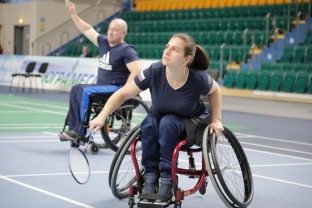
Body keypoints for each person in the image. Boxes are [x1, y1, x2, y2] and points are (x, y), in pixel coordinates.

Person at [88, 33, 224, 205]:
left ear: (186, 59)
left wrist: (216, 119)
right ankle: (150, 178)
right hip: (161, 119)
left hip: (190, 122)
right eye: (167, 46)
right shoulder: (154, 71)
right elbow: (122, 93)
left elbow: (215, 91)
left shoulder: (198, 78)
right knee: (149, 123)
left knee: (167, 123)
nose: (167, 51)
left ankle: (167, 180)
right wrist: (102, 116)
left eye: (174, 49)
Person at [58, 2, 142, 141]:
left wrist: (125, 91)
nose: (110, 32)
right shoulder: (104, 42)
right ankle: (73, 128)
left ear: (123, 33)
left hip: (116, 87)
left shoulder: (127, 50)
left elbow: (137, 71)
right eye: (110, 29)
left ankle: (81, 132)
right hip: (102, 86)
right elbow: (87, 29)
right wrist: (73, 14)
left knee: (85, 91)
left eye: (115, 30)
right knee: (75, 88)